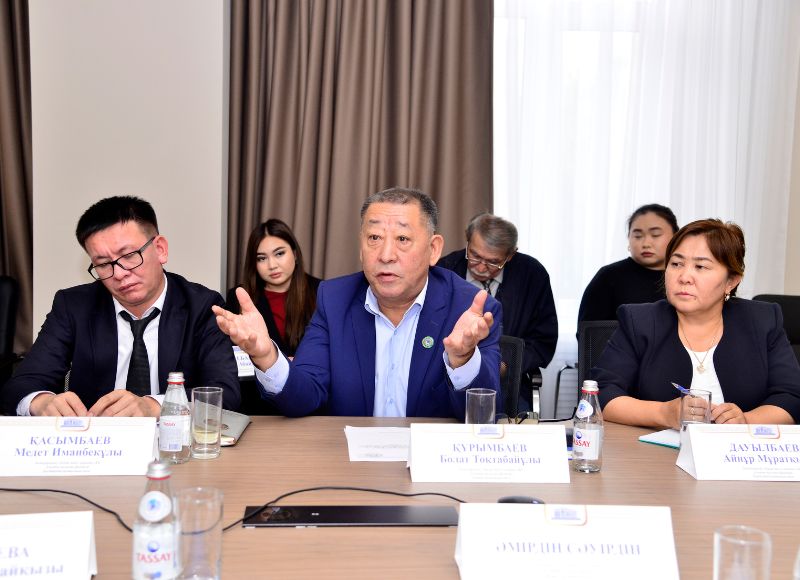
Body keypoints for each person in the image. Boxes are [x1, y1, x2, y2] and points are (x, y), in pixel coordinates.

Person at [213, 187, 502, 420]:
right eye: (374, 237)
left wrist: (463, 360)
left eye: (402, 239)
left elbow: (483, 417)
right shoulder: (335, 299)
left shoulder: (470, 309)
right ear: (361, 247)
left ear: (433, 249)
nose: (386, 255)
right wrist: (266, 356)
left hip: (430, 466)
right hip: (350, 462)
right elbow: (304, 397)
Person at [1, 196, 240, 417]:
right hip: (96, 442)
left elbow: (225, 395)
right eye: (104, 264)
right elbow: (19, 386)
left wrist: (154, 406)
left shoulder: (202, 306)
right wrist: (41, 401)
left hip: (174, 443)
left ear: (160, 249)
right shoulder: (73, 306)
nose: (120, 273)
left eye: (129, 256)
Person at [593, 219, 800, 428]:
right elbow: (602, 394)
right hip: (653, 447)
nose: (684, 277)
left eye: (700, 266)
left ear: (731, 281)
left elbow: (791, 396)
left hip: (739, 447)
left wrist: (746, 421)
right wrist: (663, 413)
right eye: (676, 264)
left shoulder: (762, 320)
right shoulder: (639, 321)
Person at [437, 213, 557, 412]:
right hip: (449, 377)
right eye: (474, 255)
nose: (481, 267)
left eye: (493, 262)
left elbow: (543, 341)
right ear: (467, 241)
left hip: (509, 383)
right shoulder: (445, 270)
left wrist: (506, 364)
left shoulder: (532, 275)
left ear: (510, 255)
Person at [226, 219, 320, 414]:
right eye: (262, 258)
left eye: (279, 254)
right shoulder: (240, 297)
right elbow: (233, 362)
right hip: (257, 407)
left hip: (311, 404)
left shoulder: (323, 292)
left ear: (295, 253)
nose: (272, 265)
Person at [577, 204, 679, 328]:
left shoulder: (685, 277)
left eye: (655, 234)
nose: (646, 243)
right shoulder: (609, 277)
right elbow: (589, 332)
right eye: (638, 236)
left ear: (676, 237)